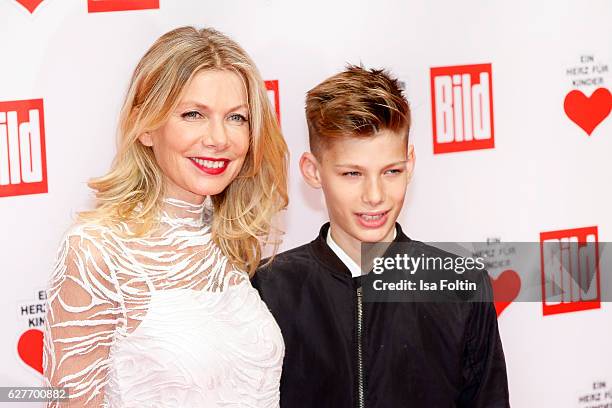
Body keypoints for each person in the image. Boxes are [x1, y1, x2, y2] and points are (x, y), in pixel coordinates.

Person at [43, 26, 288, 407]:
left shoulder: (228, 238)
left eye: (237, 117)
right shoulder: (97, 252)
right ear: (146, 126)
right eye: (193, 114)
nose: (219, 138)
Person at [252, 65, 510, 407]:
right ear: (313, 172)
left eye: (391, 171)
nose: (375, 195)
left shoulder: (461, 287)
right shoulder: (267, 289)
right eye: (352, 174)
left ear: (411, 164)